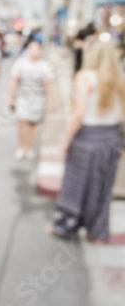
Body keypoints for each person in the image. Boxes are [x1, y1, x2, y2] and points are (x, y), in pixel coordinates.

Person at [51, 40, 125, 243]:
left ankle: (66, 225)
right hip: (110, 139)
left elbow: (79, 114)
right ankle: (98, 232)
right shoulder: (119, 79)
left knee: (75, 186)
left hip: (86, 137)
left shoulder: (85, 77)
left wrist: (65, 140)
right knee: (102, 188)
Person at [9, 39, 57, 160]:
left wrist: (52, 102)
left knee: (34, 124)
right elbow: (14, 81)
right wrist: (11, 97)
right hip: (23, 98)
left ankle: (30, 148)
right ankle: (22, 147)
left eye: (36, 48)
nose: (34, 51)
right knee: (21, 122)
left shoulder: (44, 66)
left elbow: (49, 86)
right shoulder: (21, 63)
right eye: (31, 48)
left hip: (38, 100)